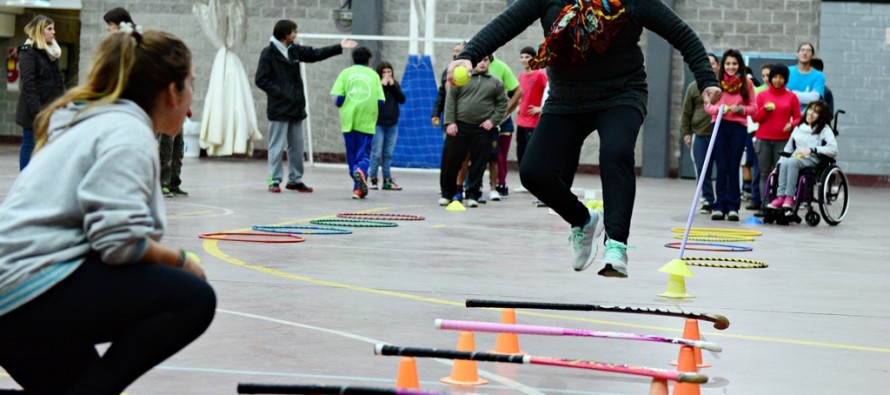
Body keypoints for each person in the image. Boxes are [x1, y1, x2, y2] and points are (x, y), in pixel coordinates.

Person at [0, 29, 215, 394]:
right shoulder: (127, 131)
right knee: (194, 296)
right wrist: (179, 261)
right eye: (192, 84)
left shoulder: (90, 120)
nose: (193, 97)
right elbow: (118, 242)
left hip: (16, 295)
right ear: (171, 91)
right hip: (28, 289)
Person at [446, 0, 721, 277]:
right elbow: (505, 24)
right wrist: (468, 55)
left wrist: (707, 79)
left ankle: (616, 244)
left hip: (621, 94)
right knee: (533, 173)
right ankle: (583, 220)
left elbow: (682, 34)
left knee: (615, 152)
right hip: (566, 99)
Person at [256, 19, 357, 193]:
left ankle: (295, 179)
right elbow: (261, 79)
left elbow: (315, 54)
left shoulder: (294, 50)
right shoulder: (268, 54)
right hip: (279, 109)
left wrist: (339, 47)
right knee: (277, 146)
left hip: (296, 108)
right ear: (285, 34)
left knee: (297, 146)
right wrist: (281, 93)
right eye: (294, 32)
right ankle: (274, 179)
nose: (296, 35)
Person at [440, 54, 508, 208]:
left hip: (482, 129)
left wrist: (493, 121)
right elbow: (450, 99)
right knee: (451, 160)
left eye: (485, 60)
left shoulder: (495, 82)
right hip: (459, 127)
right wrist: (450, 122)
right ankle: (447, 193)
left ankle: (473, 194)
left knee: (479, 162)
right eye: (479, 60)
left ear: (489, 62)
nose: (482, 64)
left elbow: (503, 103)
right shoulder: (461, 79)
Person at [704, 49, 756, 222]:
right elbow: (708, 107)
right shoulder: (715, 82)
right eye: (728, 64)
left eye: (734, 64)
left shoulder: (746, 83)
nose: (731, 67)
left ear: (739, 65)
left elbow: (753, 108)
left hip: (738, 127)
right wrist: (719, 109)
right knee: (722, 166)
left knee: (734, 166)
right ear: (722, 65)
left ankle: (733, 207)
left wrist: (740, 109)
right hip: (718, 125)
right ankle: (719, 206)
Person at [331, 47, 385, 199]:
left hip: (349, 120)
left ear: (353, 59)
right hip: (366, 121)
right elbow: (380, 101)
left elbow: (337, 99)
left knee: (352, 155)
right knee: (364, 155)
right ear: (369, 60)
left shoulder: (345, 73)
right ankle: (360, 172)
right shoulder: (374, 75)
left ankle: (358, 188)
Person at [15, 14, 65, 170]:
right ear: (39, 31)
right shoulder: (28, 52)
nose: (53, 32)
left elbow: (58, 82)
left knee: (48, 145)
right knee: (30, 143)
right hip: (34, 110)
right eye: (49, 29)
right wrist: (37, 111)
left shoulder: (52, 52)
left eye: (53, 28)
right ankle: (25, 178)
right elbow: (28, 83)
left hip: (51, 108)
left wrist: (63, 103)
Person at [767, 100, 837, 209]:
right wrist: (778, 165)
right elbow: (788, 149)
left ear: (821, 116)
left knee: (792, 161)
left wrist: (813, 149)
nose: (811, 113)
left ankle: (789, 197)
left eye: (816, 112)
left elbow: (833, 149)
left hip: (813, 160)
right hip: (796, 158)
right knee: (786, 161)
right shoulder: (799, 127)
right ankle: (780, 197)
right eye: (810, 109)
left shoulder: (825, 130)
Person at [751, 63, 802, 208]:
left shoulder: (792, 97)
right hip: (763, 139)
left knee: (781, 174)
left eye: (781, 77)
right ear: (771, 78)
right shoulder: (762, 96)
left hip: (784, 141)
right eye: (775, 77)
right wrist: (764, 111)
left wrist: (791, 125)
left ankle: (779, 203)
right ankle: (765, 205)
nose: (778, 80)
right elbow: (755, 118)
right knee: (764, 174)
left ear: (785, 79)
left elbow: (798, 117)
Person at [681, 53, 720, 214]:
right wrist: (686, 133)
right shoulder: (693, 86)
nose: (711, 66)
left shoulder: (724, 86)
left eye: (713, 63)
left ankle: (722, 201)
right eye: (708, 63)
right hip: (700, 134)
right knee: (702, 169)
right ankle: (707, 200)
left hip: (721, 135)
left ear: (718, 66)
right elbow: (686, 112)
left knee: (724, 169)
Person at [486, 54, 523, 201]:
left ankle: (501, 184)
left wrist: (506, 110)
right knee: (477, 154)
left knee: (500, 155)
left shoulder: (501, 67)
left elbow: (518, 91)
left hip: (502, 121)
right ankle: (471, 187)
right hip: (483, 120)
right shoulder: (473, 67)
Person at [369, 61, 406, 191]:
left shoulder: (394, 85)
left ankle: (387, 179)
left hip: (392, 124)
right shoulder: (375, 86)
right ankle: (373, 179)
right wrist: (382, 86)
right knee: (376, 152)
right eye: (384, 72)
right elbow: (373, 100)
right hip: (378, 124)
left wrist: (393, 87)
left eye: (389, 72)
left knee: (388, 153)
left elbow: (402, 99)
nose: (387, 75)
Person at [515, 46, 548, 168]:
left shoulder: (540, 75)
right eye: (522, 57)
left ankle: (533, 184)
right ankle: (523, 181)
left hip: (533, 122)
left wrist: (540, 108)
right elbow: (520, 94)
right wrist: (518, 105)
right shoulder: (522, 75)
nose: (524, 60)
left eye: (527, 57)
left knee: (532, 153)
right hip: (521, 121)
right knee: (521, 152)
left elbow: (550, 92)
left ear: (534, 58)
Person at [159, 108, 191, 197]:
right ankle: (163, 184)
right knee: (166, 150)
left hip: (179, 113)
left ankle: (174, 184)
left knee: (178, 149)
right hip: (167, 112)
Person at [787, 42, 825, 113]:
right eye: (802, 50)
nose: (805, 53)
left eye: (808, 51)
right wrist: (805, 98)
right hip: (787, 115)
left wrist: (792, 93)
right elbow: (782, 95)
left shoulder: (819, 76)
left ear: (812, 56)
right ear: (797, 54)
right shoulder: (787, 71)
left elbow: (815, 98)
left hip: (807, 118)